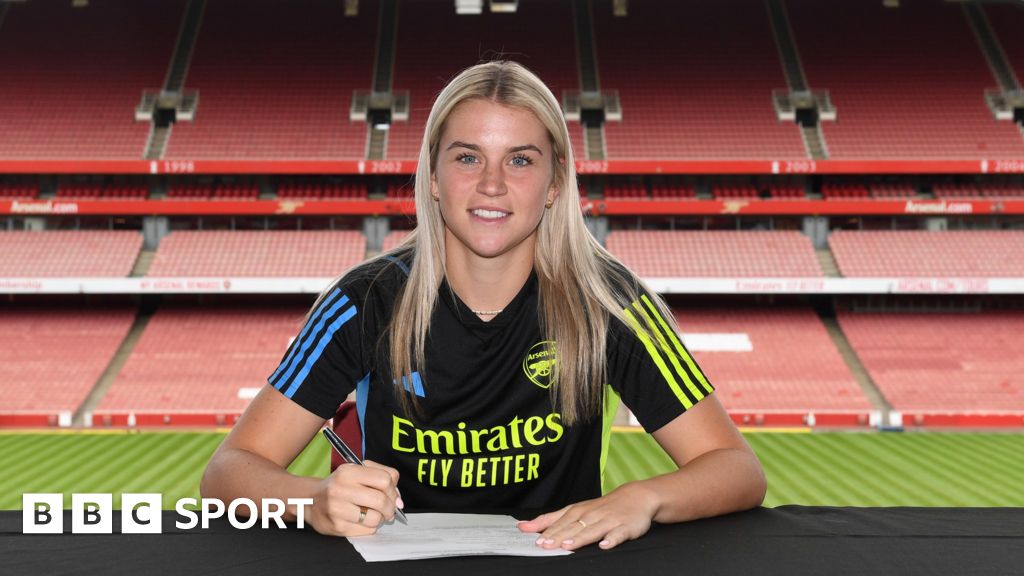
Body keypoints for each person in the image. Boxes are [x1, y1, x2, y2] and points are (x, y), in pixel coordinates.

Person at [201, 60, 766, 551]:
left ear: (554, 182)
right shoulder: (365, 301)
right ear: (435, 177)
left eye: (520, 160)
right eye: (468, 158)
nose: (492, 184)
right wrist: (312, 499)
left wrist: (646, 497)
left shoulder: (609, 302)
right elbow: (227, 472)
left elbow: (736, 468)